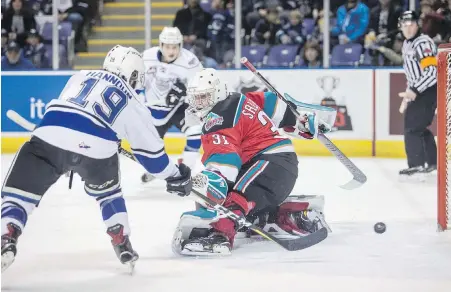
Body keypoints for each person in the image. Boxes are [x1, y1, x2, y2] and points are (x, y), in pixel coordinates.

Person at [1, 45, 193, 272]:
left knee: (20, 195)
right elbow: (151, 155)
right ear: (133, 73)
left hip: (48, 135)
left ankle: (7, 236)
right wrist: (175, 175)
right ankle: (121, 240)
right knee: (109, 194)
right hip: (98, 149)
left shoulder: (78, 77)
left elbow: (69, 114)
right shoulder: (132, 100)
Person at [172, 68, 335, 256]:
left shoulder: (218, 118)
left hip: (270, 162)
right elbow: (275, 106)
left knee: (229, 196)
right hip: (273, 165)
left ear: (217, 93)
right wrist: (301, 121)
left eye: (204, 97)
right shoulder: (240, 98)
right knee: (219, 198)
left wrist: (204, 183)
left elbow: (225, 164)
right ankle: (279, 216)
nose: (198, 104)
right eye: (196, 98)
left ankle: (220, 236)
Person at [140, 27, 203, 183]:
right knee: (151, 145)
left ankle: (185, 170)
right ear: (161, 45)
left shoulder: (190, 61)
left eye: (174, 46)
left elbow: (202, 86)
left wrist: (185, 92)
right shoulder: (146, 57)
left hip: (179, 108)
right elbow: (135, 82)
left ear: (180, 45)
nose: (171, 50)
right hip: (152, 109)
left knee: (195, 131)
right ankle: (157, 168)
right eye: (168, 46)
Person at [398, 11, 437, 177]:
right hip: (418, 91)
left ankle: (416, 165)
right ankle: (432, 162)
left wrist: (414, 90)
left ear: (417, 25)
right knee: (418, 127)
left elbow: (432, 72)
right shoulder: (407, 44)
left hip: (427, 91)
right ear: (400, 27)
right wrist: (409, 93)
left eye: (411, 25)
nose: (408, 28)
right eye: (405, 25)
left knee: (413, 128)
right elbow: (411, 74)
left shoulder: (422, 43)